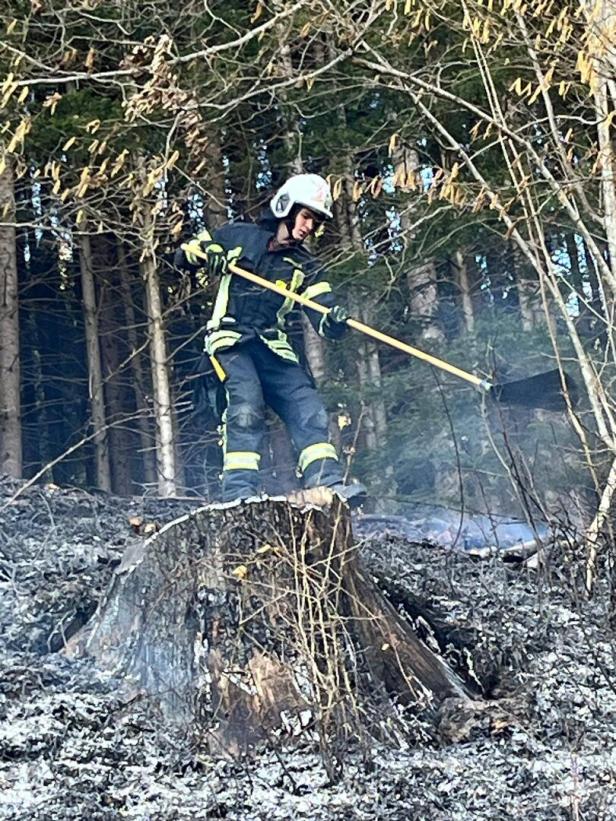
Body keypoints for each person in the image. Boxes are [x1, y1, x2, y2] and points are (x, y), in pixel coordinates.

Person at [176, 173, 366, 505]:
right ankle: (239, 494)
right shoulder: (241, 236)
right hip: (230, 342)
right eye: (306, 216)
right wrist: (209, 252)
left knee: (309, 410)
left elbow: (323, 312)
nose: (309, 227)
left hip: (272, 347)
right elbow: (186, 252)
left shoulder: (307, 267)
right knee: (245, 406)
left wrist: (334, 320)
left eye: (316, 222)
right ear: (286, 207)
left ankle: (328, 486)